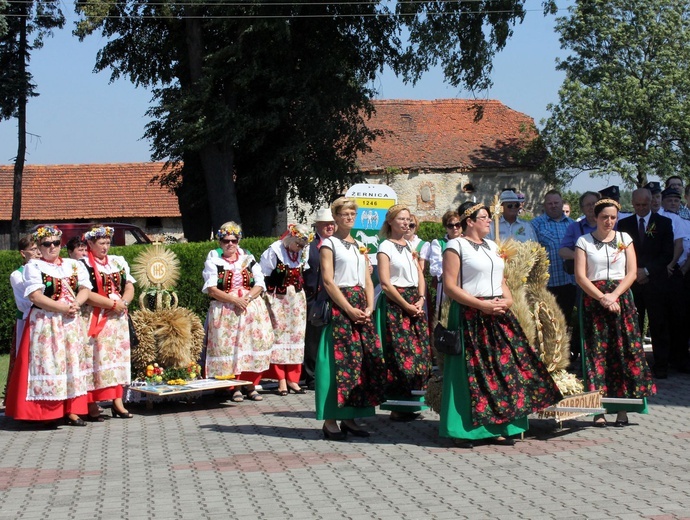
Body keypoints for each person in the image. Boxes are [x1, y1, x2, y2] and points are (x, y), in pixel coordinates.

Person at [439, 201, 562, 448]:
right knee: (469, 373)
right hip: (470, 313)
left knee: (501, 370)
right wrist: (480, 305)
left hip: (497, 312)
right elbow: (451, 286)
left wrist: (507, 299)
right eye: (483, 217)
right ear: (469, 221)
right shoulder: (456, 246)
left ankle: (497, 426)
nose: (488, 220)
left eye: (487, 216)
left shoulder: (493, 246)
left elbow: (500, 278)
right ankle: (464, 430)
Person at [574, 198, 656, 426]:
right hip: (594, 299)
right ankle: (597, 410)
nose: (609, 221)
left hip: (621, 298)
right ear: (595, 218)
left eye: (613, 217)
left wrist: (614, 295)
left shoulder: (625, 238)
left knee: (624, 352)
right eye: (604, 217)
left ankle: (623, 409)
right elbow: (581, 276)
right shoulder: (584, 241)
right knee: (596, 355)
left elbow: (631, 272)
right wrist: (602, 298)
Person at [5, 226, 93, 427]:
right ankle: (47, 412)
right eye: (47, 244)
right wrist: (62, 308)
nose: (52, 247)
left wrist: (76, 304)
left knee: (72, 362)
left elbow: (85, 289)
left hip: (70, 321)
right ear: (39, 246)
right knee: (49, 363)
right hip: (46, 322)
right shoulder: (33, 267)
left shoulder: (72, 265)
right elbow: (35, 296)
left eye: (56, 243)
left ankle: (72, 410)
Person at [315, 197, 387, 440]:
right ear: (335, 218)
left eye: (351, 214)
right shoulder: (329, 244)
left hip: (360, 304)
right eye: (344, 214)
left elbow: (368, 279)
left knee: (359, 362)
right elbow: (328, 281)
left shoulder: (358, 245)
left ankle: (349, 417)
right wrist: (347, 308)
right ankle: (330, 420)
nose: (348, 218)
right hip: (341, 305)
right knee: (338, 362)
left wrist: (369, 305)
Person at [202, 221, 273, 402]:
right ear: (220, 242)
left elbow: (259, 283)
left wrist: (247, 298)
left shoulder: (247, 258)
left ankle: (249, 384)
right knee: (230, 347)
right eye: (226, 241)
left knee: (251, 345)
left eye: (233, 240)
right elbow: (211, 289)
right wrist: (234, 299)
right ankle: (233, 386)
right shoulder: (214, 261)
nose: (230, 244)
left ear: (238, 240)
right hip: (226, 310)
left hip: (250, 309)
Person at [375, 205, 432, 422]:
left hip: (413, 302)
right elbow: (386, 284)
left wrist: (420, 298)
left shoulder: (409, 245)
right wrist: (406, 305)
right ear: (390, 221)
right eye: (401, 219)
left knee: (420, 354)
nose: (406, 223)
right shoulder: (385, 247)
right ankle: (397, 405)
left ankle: (414, 403)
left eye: (408, 219)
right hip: (395, 304)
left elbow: (419, 273)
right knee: (400, 355)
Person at [618, 189, 676, 378]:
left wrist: (647, 270)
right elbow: (621, 252)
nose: (641, 208)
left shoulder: (664, 223)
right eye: (637, 205)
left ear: (651, 202)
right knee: (634, 324)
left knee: (659, 324)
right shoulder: (624, 224)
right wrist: (635, 272)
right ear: (632, 204)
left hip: (655, 281)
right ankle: (634, 365)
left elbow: (667, 253)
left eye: (645, 205)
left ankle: (661, 364)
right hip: (633, 282)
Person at [82, 225, 136, 420]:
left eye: (107, 242)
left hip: (117, 318)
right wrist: (112, 304)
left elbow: (128, 285)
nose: (105, 247)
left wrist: (124, 302)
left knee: (118, 358)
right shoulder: (83, 264)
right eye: (101, 243)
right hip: (96, 316)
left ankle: (117, 401)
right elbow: (86, 294)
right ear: (90, 243)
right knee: (96, 358)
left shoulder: (117, 261)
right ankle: (92, 403)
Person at [260, 224, 312, 396]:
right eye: (298, 244)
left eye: (302, 245)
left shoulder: (301, 253)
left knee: (296, 336)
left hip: (296, 298)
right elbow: (264, 276)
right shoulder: (274, 251)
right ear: (290, 239)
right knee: (279, 336)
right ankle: (281, 379)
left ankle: (293, 379)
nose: (300, 248)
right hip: (278, 298)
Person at [302, 208, 337, 390]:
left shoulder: (339, 243)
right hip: (314, 296)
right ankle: (312, 377)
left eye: (332, 223)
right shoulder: (309, 244)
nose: (330, 226)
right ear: (318, 226)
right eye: (326, 224)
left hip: (336, 295)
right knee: (313, 338)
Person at [4, 235, 41, 402]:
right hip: (28, 320)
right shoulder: (17, 275)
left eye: (39, 248)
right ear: (23, 253)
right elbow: (25, 301)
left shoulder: (49, 269)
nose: (38, 252)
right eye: (33, 249)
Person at [532, 190, 576, 324]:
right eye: (549, 203)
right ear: (544, 206)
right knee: (549, 322)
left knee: (567, 320)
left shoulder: (572, 224)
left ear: (562, 204)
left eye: (556, 202)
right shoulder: (535, 224)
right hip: (548, 283)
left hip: (570, 281)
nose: (553, 206)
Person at [428, 210, 462, 323]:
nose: (455, 228)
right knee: (444, 317)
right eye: (450, 225)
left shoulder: (466, 241)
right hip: (446, 285)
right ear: (446, 227)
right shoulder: (439, 243)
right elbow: (435, 267)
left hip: (465, 284)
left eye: (458, 224)